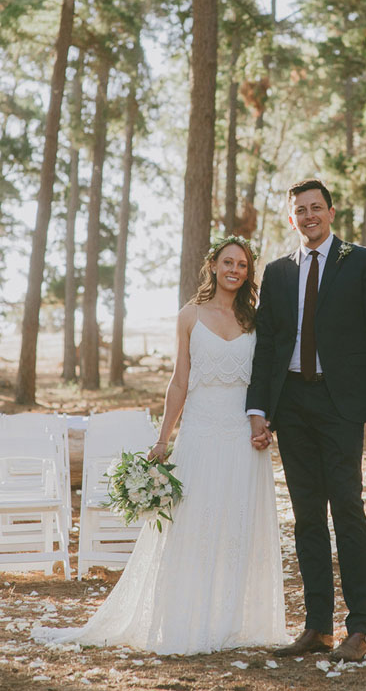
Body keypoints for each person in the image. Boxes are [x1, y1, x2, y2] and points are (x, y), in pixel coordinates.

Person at [34, 237, 287, 655]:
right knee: (191, 526)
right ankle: (185, 618)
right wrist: (163, 439)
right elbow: (180, 382)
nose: (235, 270)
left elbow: (262, 381)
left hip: (243, 437)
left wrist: (263, 426)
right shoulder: (189, 316)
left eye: (242, 264)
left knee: (236, 527)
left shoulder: (255, 321)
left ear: (248, 273)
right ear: (213, 265)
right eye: (228, 261)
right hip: (201, 433)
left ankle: (229, 622)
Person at [246, 179, 366, 662]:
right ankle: (318, 627)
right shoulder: (277, 272)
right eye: (300, 210)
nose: (309, 216)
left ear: (331, 212)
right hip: (291, 406)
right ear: (291, 218)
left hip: (340, 405)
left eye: (316, 207)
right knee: (307, 518)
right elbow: (268, 346)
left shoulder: (359, 260)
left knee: (347, 510)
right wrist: (259, 410)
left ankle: (360, 630)